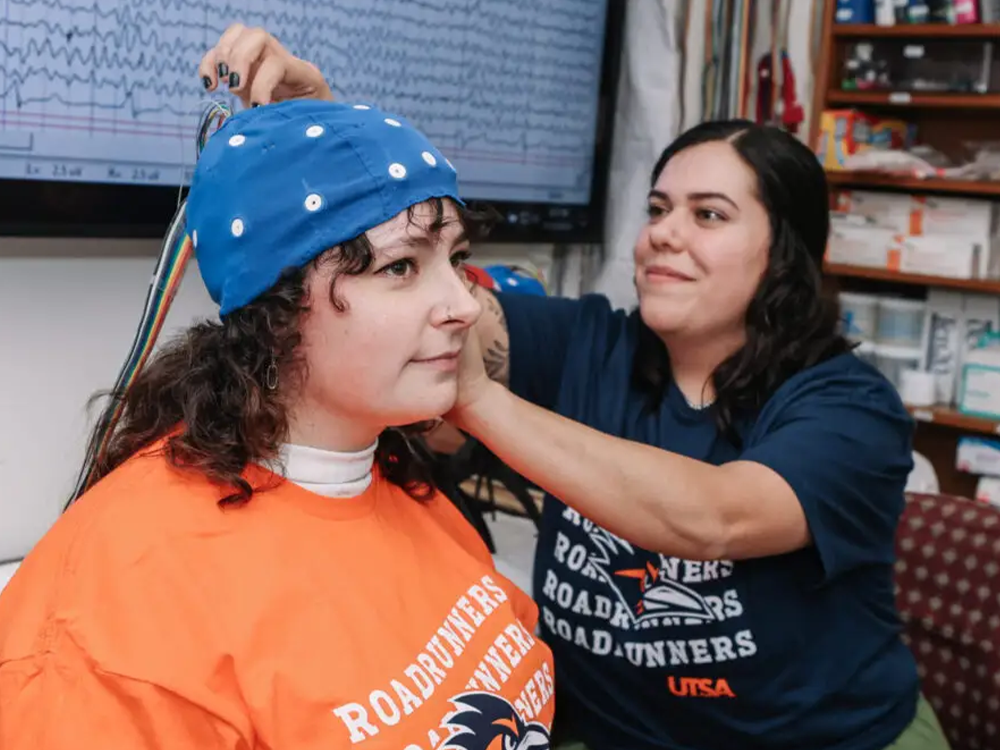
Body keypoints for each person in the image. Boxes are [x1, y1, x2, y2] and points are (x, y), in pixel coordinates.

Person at [203, 26, 955, 750]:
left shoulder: (849, 407)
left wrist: (480, 400)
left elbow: (715, 518)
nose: (665, 231)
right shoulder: (589, 343)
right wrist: (328, 144)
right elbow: (442, 312)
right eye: (657, 209)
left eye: (709, 215)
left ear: (786, 253)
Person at [0, 100, 557, 747]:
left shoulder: (397, 479)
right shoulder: (120, 608)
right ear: (280, 307)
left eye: (455, 259)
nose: (465, 304)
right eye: (402, 267)